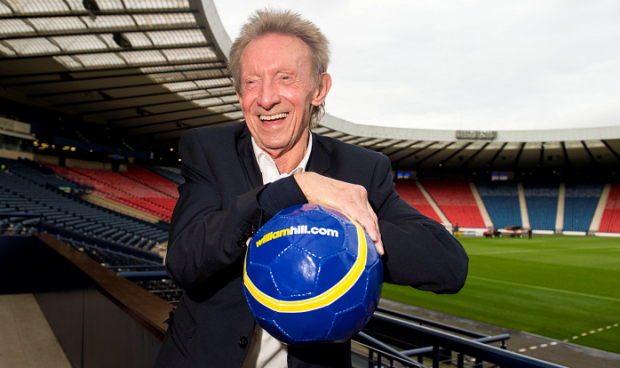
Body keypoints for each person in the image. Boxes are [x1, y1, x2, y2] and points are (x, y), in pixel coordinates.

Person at [155, 9, 468, 368]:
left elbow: (450, 265)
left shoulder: (360, 169)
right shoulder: (208, 150)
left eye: (284, 77)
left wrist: (346, 233)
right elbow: (183, 260)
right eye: (251, 82)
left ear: (319, 89)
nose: (266, 98)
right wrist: (295, 189)